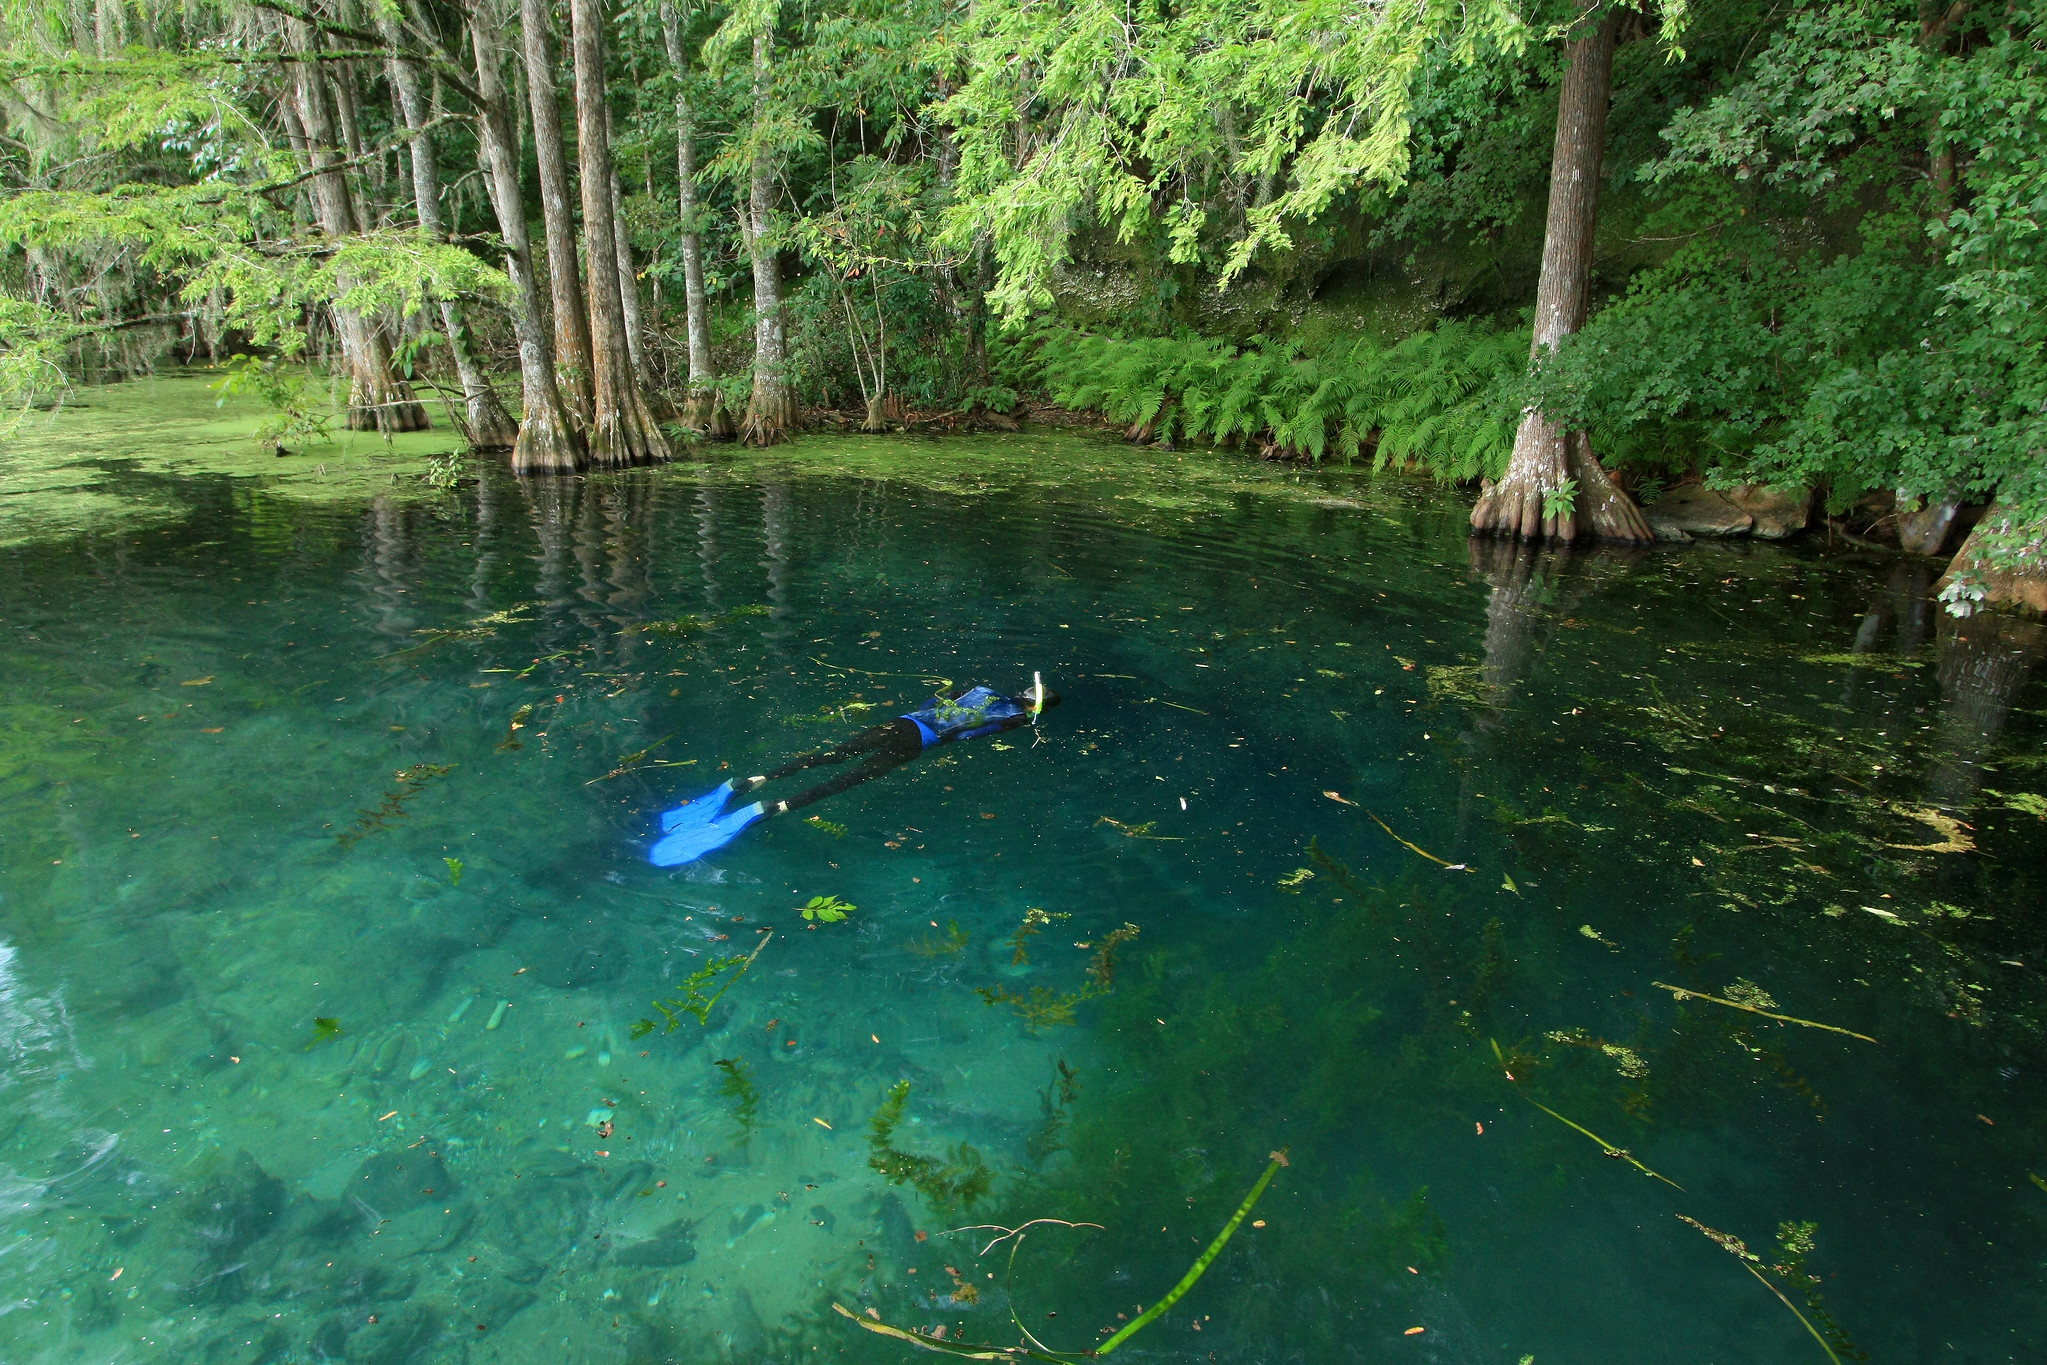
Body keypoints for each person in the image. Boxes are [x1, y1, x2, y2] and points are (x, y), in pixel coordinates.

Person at [649, 680, 1060, 866]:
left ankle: (751, 781)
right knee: (843, 782)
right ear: (1036, 707)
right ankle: (773, 807)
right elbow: (989, 727)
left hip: (900, 723)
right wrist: (1029, 721)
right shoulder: (1014, 721)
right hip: (917, 742)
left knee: (832, 756)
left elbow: (944, 696)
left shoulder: (983, 690)